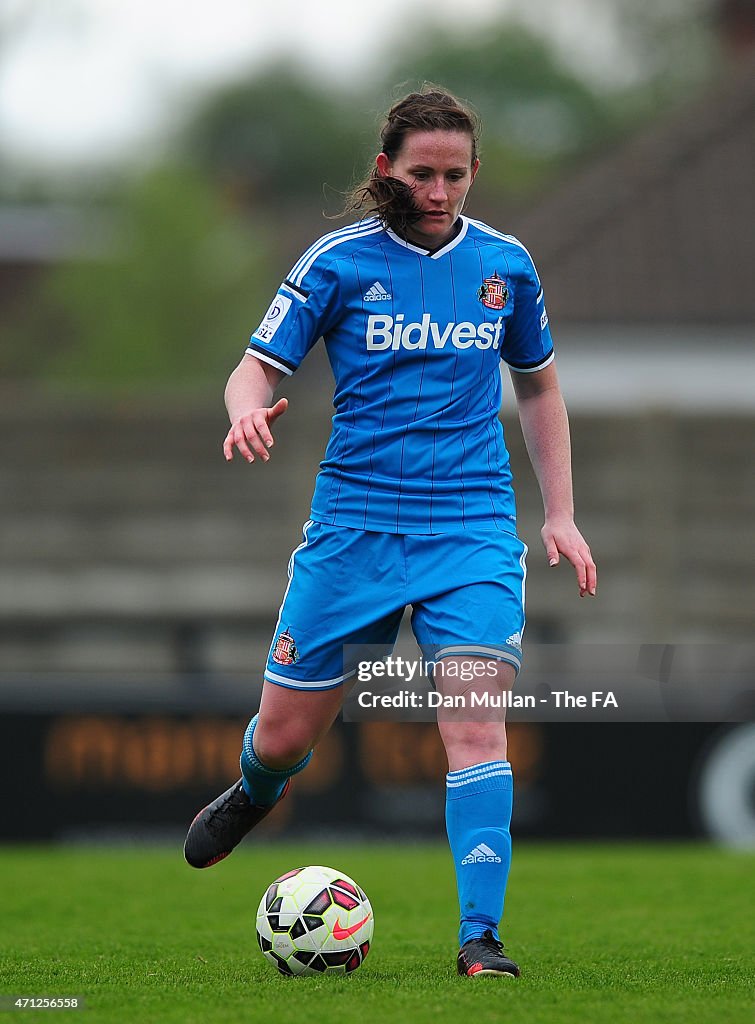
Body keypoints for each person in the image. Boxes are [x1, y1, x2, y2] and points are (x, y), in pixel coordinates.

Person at [184, 86, 596, 979]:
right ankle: (257, 791)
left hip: (473, 531)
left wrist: (558, 511)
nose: (439, 191)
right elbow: (252, 371)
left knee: (475, 731)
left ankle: (479, 940)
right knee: (287, 737)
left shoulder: (505, 265)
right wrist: (246, 413)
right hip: (353, 531)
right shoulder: (337, 262)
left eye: (454, 175)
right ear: (386, 171)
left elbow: (537, 386)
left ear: (473, 172)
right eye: (421, 174)